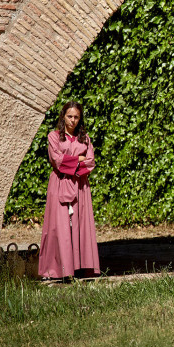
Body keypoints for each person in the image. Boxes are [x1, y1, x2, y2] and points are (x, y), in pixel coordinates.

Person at [38, 101, 100, 280]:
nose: (72, 120)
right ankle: (57, 269)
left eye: (76, 117)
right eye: (69, 116)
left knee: (80, 224)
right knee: (59, 226)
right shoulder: (54, 136)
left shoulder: (85, 139)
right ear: (63, 116)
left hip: (80, 186)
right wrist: (77, 159)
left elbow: (90, 162)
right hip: (59, 184)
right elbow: (56, 160)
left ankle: (81, 267)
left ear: (80, 119)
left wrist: (71, 162)